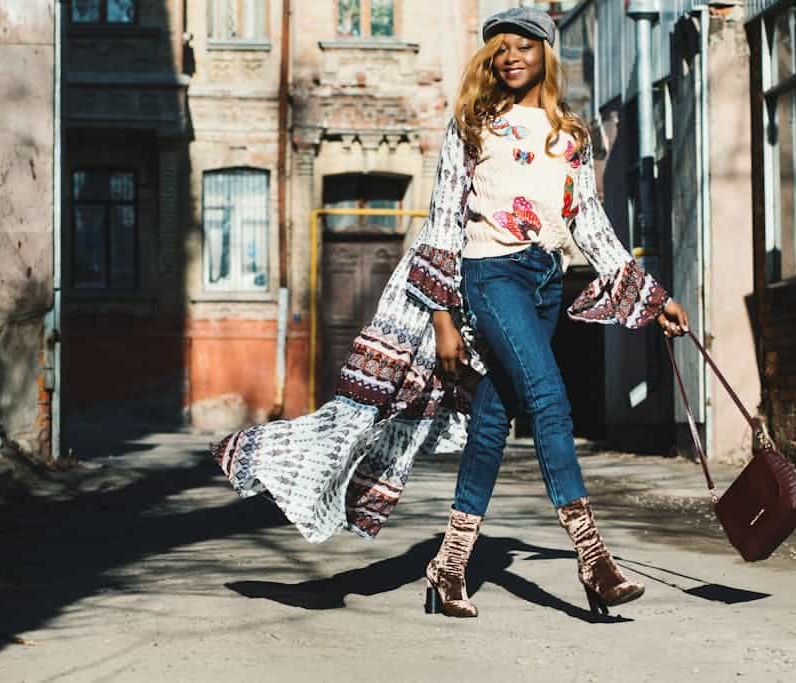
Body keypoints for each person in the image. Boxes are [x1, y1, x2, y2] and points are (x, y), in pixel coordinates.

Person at [213, 7, 688, 619]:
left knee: (492, 420)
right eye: (500, 48)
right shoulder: (472, 124)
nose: (511, 56)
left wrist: (655, 299)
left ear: (546, 53)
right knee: (548, 398)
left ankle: (450, 564)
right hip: (490, 276)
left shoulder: (569, 134)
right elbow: (441, 224)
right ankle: (594, 561)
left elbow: (589, 224)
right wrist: (442, 318)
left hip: (545, 283)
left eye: (524, 45)